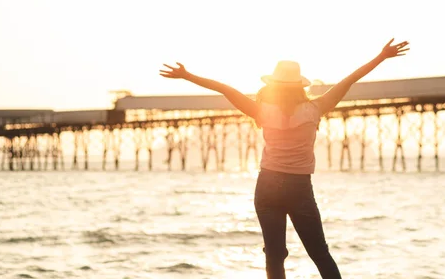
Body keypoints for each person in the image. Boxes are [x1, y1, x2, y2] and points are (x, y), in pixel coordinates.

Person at [159, 38, 410, 279]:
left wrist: (187, 75)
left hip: (267, 185)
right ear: (300, 86)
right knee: (320, 254)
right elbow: (350, 80)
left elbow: (225, 89)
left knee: (275, 256)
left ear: (274, 85)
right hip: (299, 187)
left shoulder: (261, 110)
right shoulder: (315, 108)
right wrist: (381, 56)